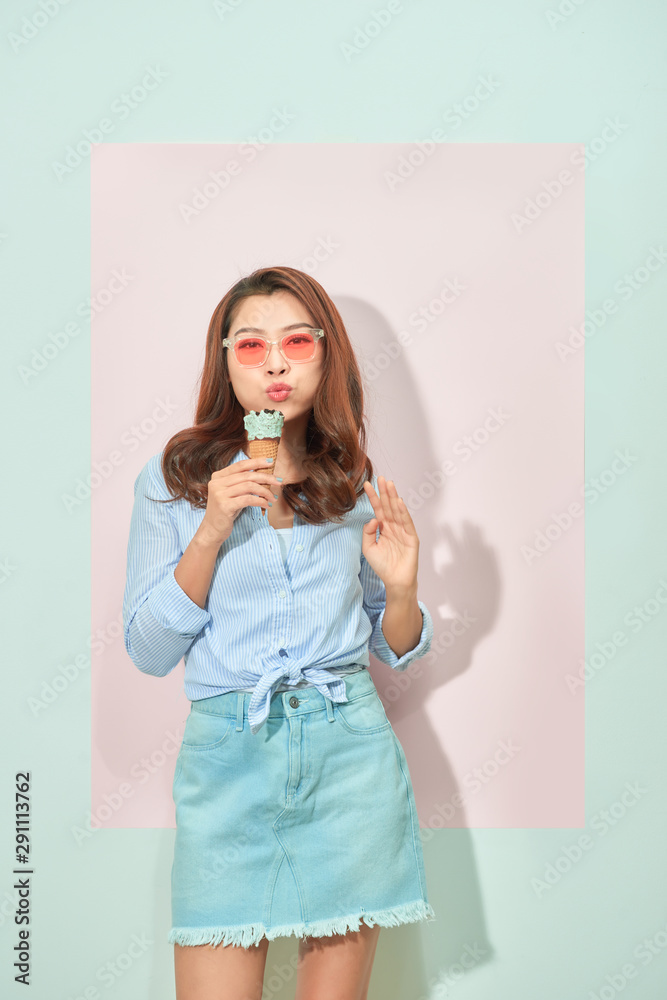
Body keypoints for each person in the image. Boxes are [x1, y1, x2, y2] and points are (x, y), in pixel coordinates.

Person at [122, 265, 436, 1000]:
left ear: (326, 357)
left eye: (297, 341)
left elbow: (392, 644)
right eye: (249, 345)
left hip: (347, 761)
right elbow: (147, 649)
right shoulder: (173, 478)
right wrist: (211, 529)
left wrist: (403, 585)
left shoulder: (349, 479)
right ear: (223, 360)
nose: (274, 363)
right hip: (228, 759)